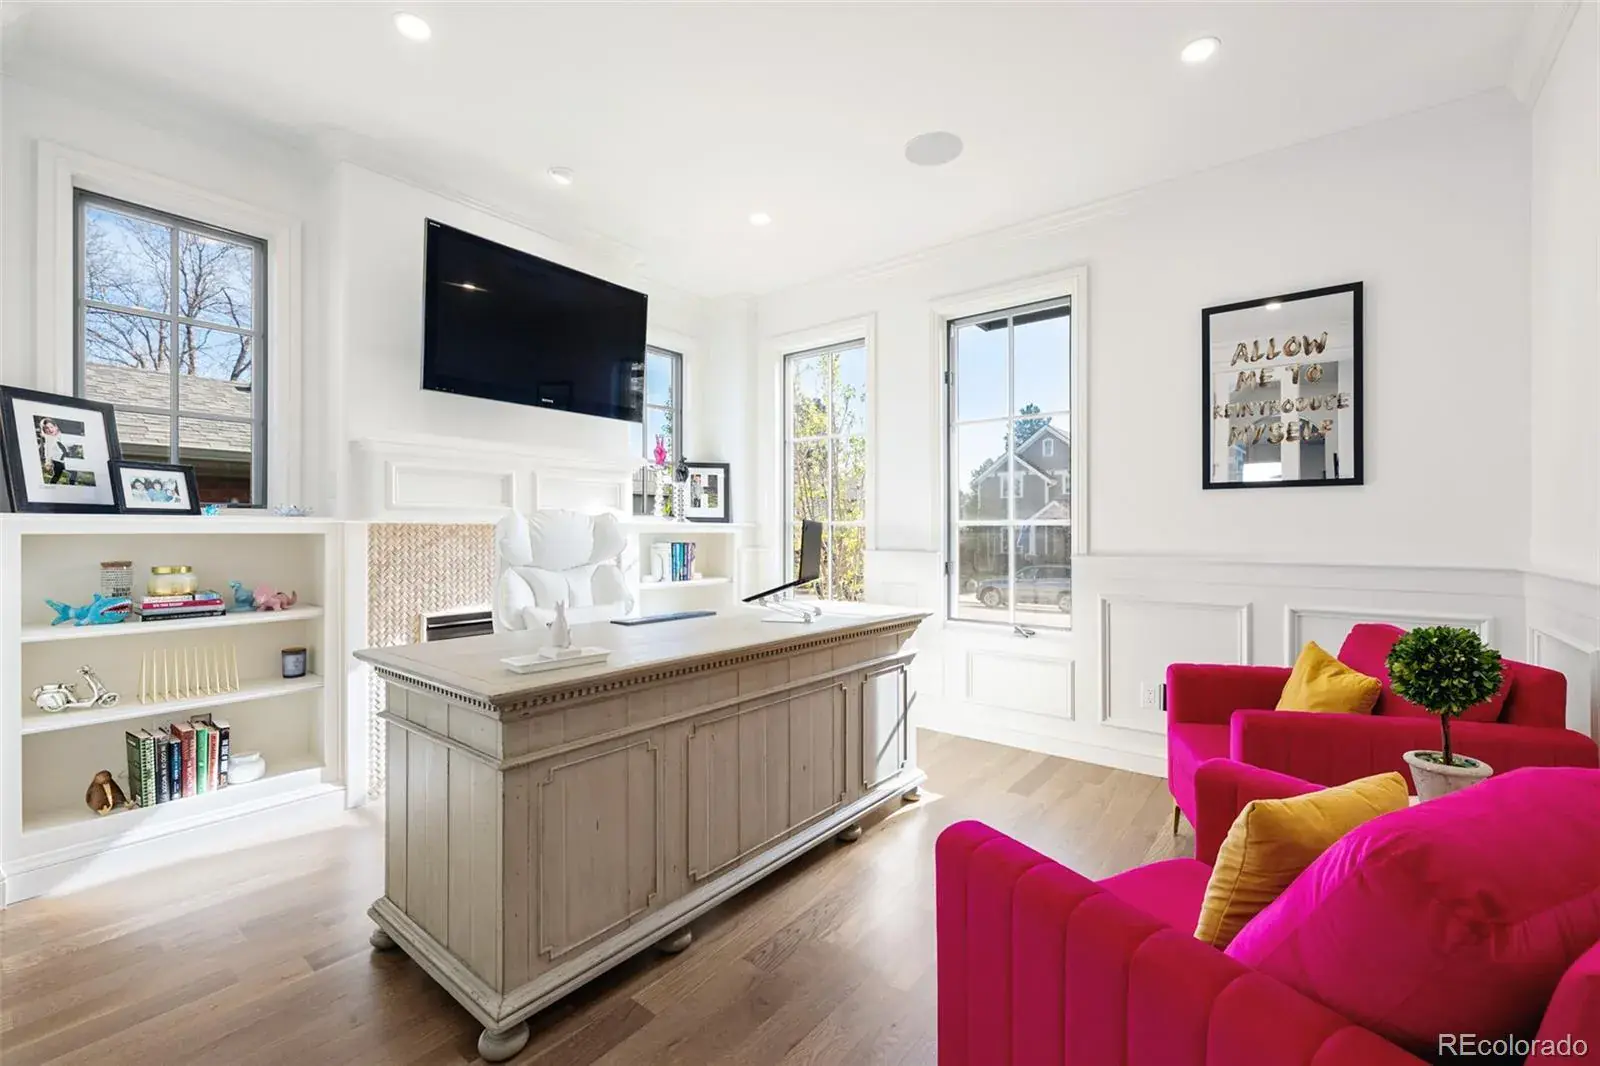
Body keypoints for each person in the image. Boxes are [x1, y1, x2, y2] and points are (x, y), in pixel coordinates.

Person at [38, 418, 78, 485]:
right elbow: (48, 451)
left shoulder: (61, 434)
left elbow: (67, 444)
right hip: (57, 460)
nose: (50, 430)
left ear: (55, 427)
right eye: (47, 428)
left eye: (51, 427)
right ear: (44, 430)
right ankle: (52, 485)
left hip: (65, 458)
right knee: (58, 474)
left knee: (73, 473)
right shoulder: (49, 439)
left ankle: (72, 484)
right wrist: (48, 462)